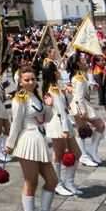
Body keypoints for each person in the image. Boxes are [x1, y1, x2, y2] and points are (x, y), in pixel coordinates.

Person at [5, 67, 59, 211]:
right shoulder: (19, 99)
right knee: (31, 182)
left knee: (52, 180)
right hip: (27, 140)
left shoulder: (36, 96)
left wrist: (49, 106)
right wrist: (9, 144)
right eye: (26, 79)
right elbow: (16, 123)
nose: (30, 82)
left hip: (40, 140)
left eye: (33, 78)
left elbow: (46, 119)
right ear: (20, 82)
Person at [42, 60, 83, 197]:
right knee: (58, 156)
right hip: (59, 125)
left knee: (76, 153)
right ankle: (57, 184)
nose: (60, 71)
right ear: (54, 73)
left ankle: (69, 182)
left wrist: (68, 92)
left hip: (64, 123)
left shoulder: (57, 86)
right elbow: (59, 111)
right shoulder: (52, 89)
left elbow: (66, 105)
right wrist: (65, 129)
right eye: (58, 70)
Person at [67, 52, 103, 166]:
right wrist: (82, 111)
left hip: (82, 104)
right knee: (85, 130)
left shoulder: (82, 75)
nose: (85, 61)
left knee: (91, 128)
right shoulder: (79, 78)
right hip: (80, 106)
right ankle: (84, 155)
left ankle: (90, 151)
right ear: (78, 63)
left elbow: (82, 92)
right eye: (82, 60)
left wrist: (91, 85)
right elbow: (78, 97)